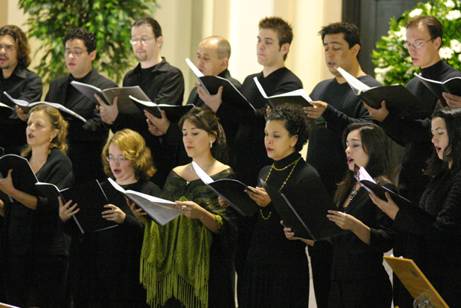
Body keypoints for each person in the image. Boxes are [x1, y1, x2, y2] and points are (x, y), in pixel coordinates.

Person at [364, 16, 461, 306]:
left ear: (437, 42)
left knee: (429, 269)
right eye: (408, 44)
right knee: (406, 269)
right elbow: (411, 137)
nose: (412, 50)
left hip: (438, 183)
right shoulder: (414, 82)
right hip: (413, 179)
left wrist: (389, 119)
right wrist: (385, 118)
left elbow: (426, 133)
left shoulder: (452, 81)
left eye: (418, 43)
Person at [302, 22, 380, 307]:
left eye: (337, 48)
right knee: (321, 272)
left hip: (351, 194)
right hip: (318, 192)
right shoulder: (321, 88)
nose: (330, 54)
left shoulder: (368, 89)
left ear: (355, 49)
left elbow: (369, 135)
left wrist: (331, 114)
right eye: (326, 48)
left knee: (348, 276)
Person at [285, 122, 395, 307]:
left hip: (367, 285)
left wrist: (354, 225)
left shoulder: (382, 188)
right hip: (339, 282)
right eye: (346, 144)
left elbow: (386, 240)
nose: (347, 150)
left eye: (355, 145)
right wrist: (301, 235)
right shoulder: (348, 185)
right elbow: (335, 240)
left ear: (373, 148)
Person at [140, 107, 237, 308]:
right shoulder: (176, 173)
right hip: (174, 265)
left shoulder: (225, 174)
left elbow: (228, 229)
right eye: (184, 133)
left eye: (195, 133)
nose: (188, 139)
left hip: (208, 266)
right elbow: (164, 216)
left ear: (212, 136)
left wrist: (201, 214)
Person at [233, 17, 304, 292]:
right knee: (242, 259)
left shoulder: (289, 83)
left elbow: (268, 119)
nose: (260, 47)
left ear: (284, 48)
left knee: (264, 258)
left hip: (267, 177)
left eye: (268, 42)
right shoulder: (250, 80)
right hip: (243, 173)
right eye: (258, 40)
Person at [239, 105, 328, 307]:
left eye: (276, 136)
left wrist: (272, 202)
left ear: (294, 139)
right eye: (266, 134)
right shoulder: (265, 170)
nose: (268, 141)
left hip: (287, 265)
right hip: (257, 259)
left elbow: (317, 230)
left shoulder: (307, 175)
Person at [370, 108, 461, 306]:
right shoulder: (441, 174)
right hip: (430, 269)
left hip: (450, 275)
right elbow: (425, 218)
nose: (433, 140)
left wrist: (398, 214)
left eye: (440, 133)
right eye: (432, 134)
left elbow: (443, 231)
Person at [61, 129, 161, 307]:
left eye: (122, 157)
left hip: (130, 274)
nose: (115, 163)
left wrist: (126, 220)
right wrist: (65, 218)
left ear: (137, 159)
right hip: (96, 272)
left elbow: (157, 239)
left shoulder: (149, 191)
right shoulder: (100, 188)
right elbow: (83, 232)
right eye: (111, 156)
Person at [0, 105, 73, 307]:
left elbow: (48, 206)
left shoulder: (60, 162)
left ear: (54, 133)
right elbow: (9, 204)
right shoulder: (20, 160)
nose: (30, 128)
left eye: (39, 125)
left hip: (45, 250)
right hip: (17, 246)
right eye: (29, 123)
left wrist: (12, 192)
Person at [99, 16, 186, 187]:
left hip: (159, 158)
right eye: (134, 39)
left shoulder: (172, 75)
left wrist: (122, 117)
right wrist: (113, 119)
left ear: (159, 41)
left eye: (144, 39)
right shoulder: (129, 77)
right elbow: (125, 129)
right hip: (130, 162)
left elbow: (155, 120)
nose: (138, 44)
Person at [45, 28, 117, 184]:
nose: (70, 56)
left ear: (92, 55)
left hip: (86, 167)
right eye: (67, 51)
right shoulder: (57, 84)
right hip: (54, 165)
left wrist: (62, 126)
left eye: (77, 52)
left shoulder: (106, 87)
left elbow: (98, 128)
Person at [185, 35, 241, 150]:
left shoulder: (232, 88)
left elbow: (237, 127)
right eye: (198, 57)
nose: (199, 64)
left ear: (224, 63)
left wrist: (218, 108)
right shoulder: (197, 89)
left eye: (206, 59)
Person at [0, 25, 42, 155]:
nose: (2, 51)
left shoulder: (32, 81)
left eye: (8, 47)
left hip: (17, 151)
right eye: (0, 46)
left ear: (20, 51)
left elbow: (16, 116)